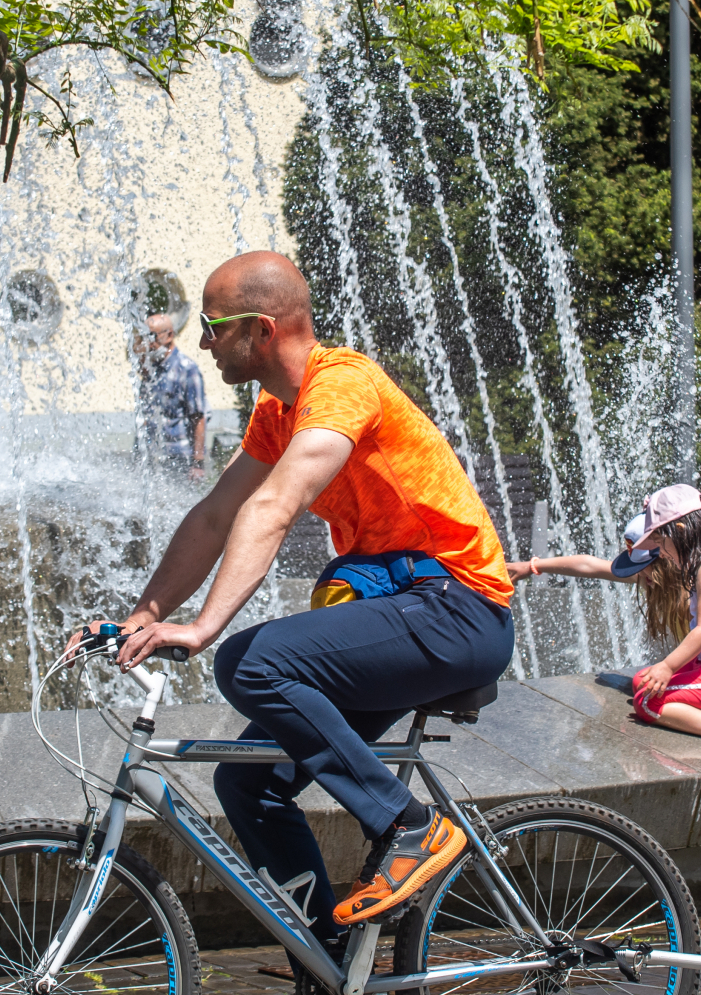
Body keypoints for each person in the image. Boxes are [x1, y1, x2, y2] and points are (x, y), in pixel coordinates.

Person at [77, 252, 515, 936]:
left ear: (262, 329)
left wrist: (202, 629)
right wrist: (145, 615)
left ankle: (409, 827)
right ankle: (327, 952)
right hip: (403, 610)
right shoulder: (277, 410)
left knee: (252, 661)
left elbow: (275, 505)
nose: (201, 342)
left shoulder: (341, 384)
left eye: (214, 326)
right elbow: (216, 514)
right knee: (247, 784)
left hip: (458, 608)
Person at [509, 484, 701, 750]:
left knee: (646, 700)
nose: (642, 579)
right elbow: (590, 565)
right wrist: (533, 566)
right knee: (641, 680)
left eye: (658, 547)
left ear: (670, 548)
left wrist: (667, 667)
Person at [134, 311, 211, 480]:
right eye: (144, 336)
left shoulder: (187, 369)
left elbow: (198, 417)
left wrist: (198, 463)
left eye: (152, 336)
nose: (147, 342)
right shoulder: (151, 368)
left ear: (169, 335)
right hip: (153, 454)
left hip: (179, 457)